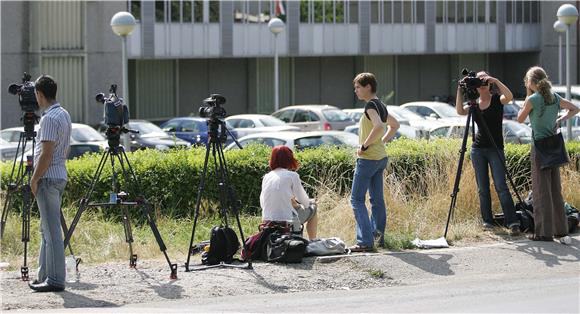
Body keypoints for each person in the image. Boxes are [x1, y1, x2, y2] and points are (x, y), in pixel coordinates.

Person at [517, 66, 579, 242]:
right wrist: (559, 120)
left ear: (531, 82)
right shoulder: (553, 97)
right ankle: (561, 229)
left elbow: (520, 119)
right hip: (554, 145)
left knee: (541, 190)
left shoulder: (533, 99)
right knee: (555, 190)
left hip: (539, 147)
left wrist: (528, 97)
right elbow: (574, 108)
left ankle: (544, 232)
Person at [454, 71, 520, 235]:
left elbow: (509, 96)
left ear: (489, 83)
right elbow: (460, 111)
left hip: (495, 148)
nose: (481, 82)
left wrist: (496, 80)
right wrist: (460, 89)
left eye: (484, 79)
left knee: (501, 186)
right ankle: (487, 221)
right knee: (482, 188)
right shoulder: (474, 104)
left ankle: (512, 222)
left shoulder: (497, 100)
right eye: (479, 80)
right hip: (478, 149)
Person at [29, 75, 71, 292]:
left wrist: (34, 178)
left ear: (39, 94)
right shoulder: (64, 114)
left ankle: (54, 279)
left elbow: (46, 154)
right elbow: (64, 149)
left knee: (51, 230)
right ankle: (44, 275)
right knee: (47, 229)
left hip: (47, 178)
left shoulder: (48, 119)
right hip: (59, 174)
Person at [350, 73, 399, 252]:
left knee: (356, 199)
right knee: (377, 200)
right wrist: (381, 142)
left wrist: (364, 145)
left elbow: (378, 126)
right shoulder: (381, 105)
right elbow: (395, 125)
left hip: (368, 159)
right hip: (380, 158)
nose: (356, 91)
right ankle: (378, 239)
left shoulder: (371, 105)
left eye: (358, 87)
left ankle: (365, 242)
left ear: (368, 87)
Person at [260, 145, 318, 240]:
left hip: (267, 222)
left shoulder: (267, 177)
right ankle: (313, 241)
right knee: (313, 207)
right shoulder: (292, 176)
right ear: (289, 159)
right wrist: (309, 202)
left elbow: (263, 204)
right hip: (287, 222)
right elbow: (305, 203)